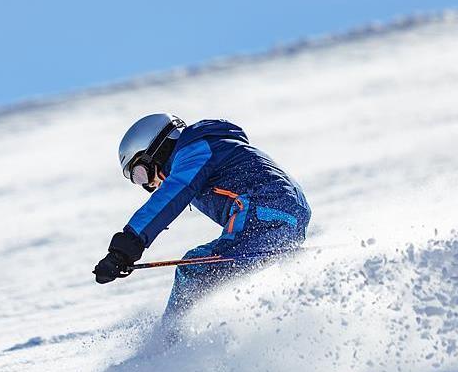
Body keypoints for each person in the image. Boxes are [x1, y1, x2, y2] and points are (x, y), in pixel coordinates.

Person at [93, 114, 311, 332]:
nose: (148, 185)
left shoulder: (194, 150)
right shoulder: (211, 147)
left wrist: (125, 248)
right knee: (211, 269)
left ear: (156, 151)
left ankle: (167, 343)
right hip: (284, 218)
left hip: (263, 211)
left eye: (141, 174)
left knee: (193, 270)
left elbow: (172, 194)